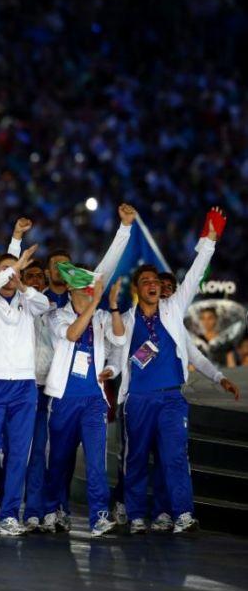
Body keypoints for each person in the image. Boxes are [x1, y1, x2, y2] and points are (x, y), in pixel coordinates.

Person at [116, 209, 222, 534]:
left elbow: (194, 274)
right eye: (145, 281)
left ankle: (183, 515)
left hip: (172, 399)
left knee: (175, 457)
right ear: (137, 288)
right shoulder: (125, 320)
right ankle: (135, 515)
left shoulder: (173, 309)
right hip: (138, 400)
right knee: (135, 459)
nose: (152, 284)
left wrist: (209, 242)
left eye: (155, 281)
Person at [0, 242, 48, 536]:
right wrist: (12, 269)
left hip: (24, 386)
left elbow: (43, 305)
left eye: (16, 271)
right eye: (4, 271)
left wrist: (23, 284)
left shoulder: (29, 300)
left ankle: (10, 515)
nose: (11, 276)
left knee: (19, 453)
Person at [42, 276, 126, 537]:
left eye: (92, 285)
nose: (90, 289)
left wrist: (112, 306)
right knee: (59, 459)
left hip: (94, 400)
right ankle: (54, 509)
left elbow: (119, 341)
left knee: (96, 461)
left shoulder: (101, 316)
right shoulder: (56, 315)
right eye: (83, 285)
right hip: (64, 398)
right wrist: (96, 303)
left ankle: (99, 516)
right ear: (69, 287)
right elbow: (72, 333)